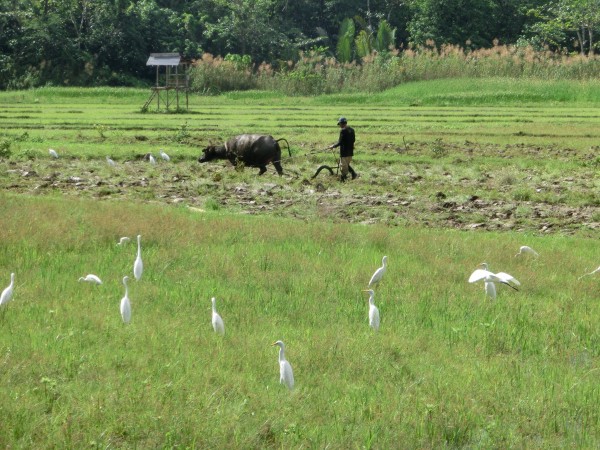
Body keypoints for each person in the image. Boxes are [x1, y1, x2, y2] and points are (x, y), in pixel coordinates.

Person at [329, 116, 357, 181]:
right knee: (346, 164)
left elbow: (340, 142)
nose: (339, 126)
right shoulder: (352, 130)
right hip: (350, 151)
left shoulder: (343, 131)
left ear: (342, 123)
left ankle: (343, 180)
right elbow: (353, 140)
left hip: (344, 152)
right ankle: (353, 174)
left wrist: (332, 146)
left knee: (343, 167)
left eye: (340, 124)